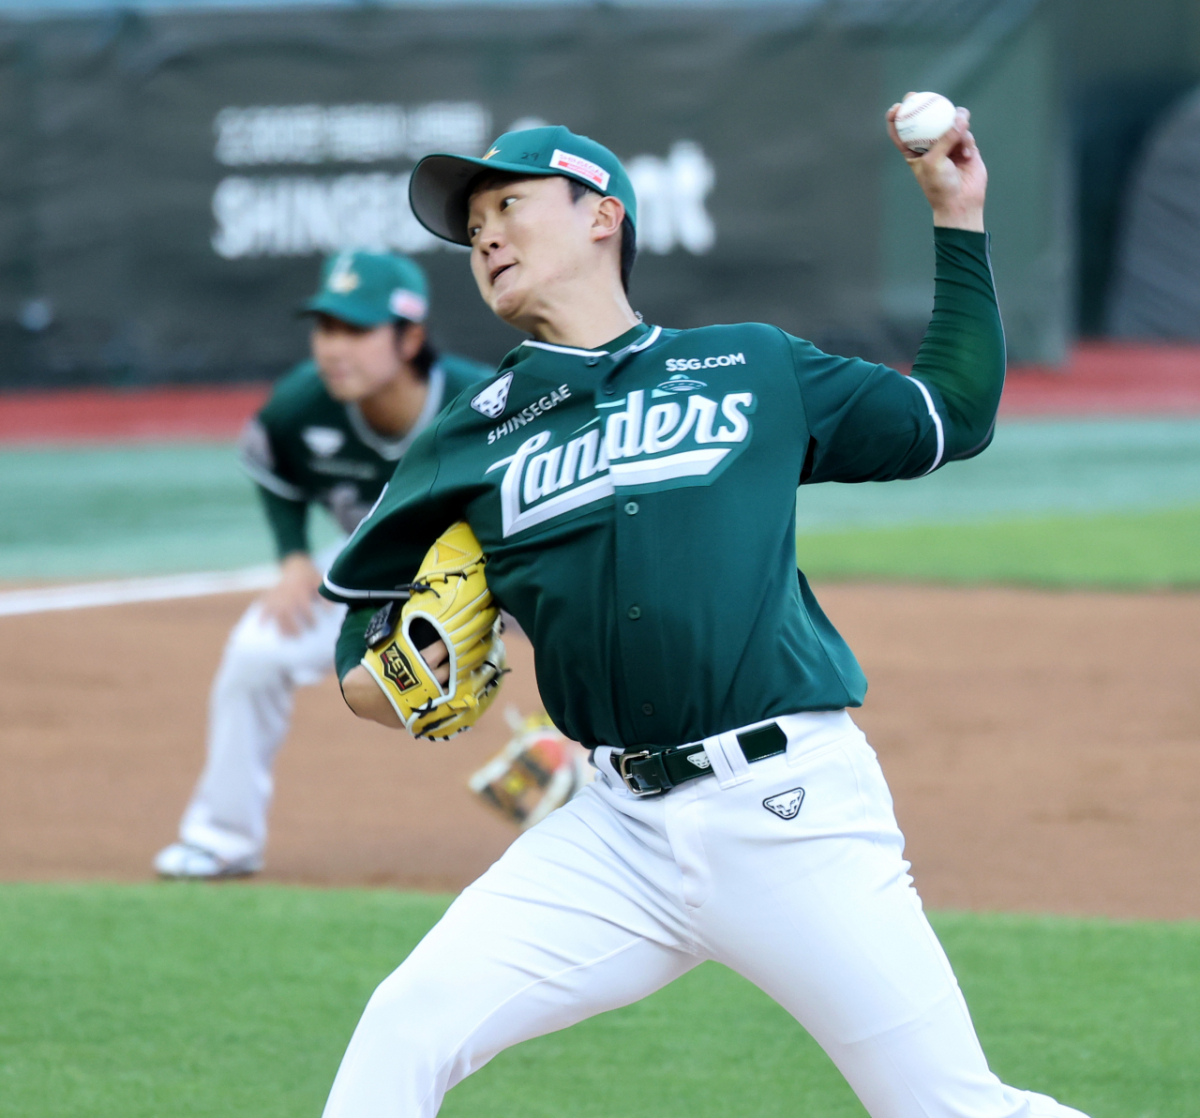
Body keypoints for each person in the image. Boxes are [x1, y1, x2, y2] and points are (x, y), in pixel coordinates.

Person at [316, 117, 1092, 1118]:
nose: (486, 236)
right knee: (405, 1024)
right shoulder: (470, 434)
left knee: (948, 1106)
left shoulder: (751, 367)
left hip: (787, 809)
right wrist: (385, 672)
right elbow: (360, 613)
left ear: (603, 217)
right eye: (471, 229)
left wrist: (957, 216)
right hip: (614, 831)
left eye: (508, 204)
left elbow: (953, 413)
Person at [154, 251, 492, 879]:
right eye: (326, 328)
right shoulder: (300, 405)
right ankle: (221, 840)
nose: (334, 348)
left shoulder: (482, 401)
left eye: (356, 330)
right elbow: (274, 469)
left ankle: (611, 792)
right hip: (373, 564)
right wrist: (291, 557)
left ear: (409, 339)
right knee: (256, 653)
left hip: (494, 560)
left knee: (589, 633)